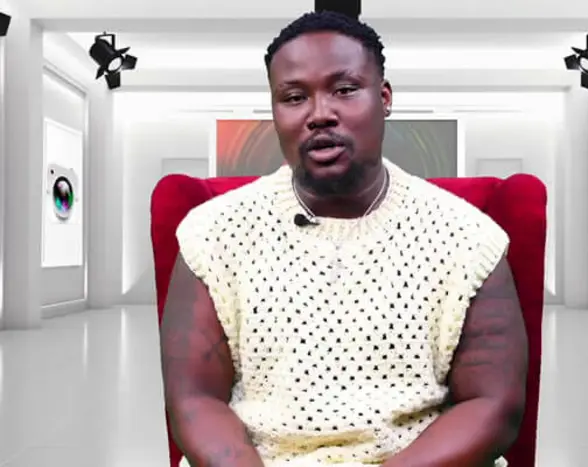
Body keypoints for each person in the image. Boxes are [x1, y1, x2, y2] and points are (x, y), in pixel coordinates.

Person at [160, 10, 528, 467]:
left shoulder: (467, 237)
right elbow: (195, 398)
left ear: (384, 97)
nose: (320, 114)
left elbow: (493, 405)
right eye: (294, 97)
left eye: (345, 89)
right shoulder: (213, 232)